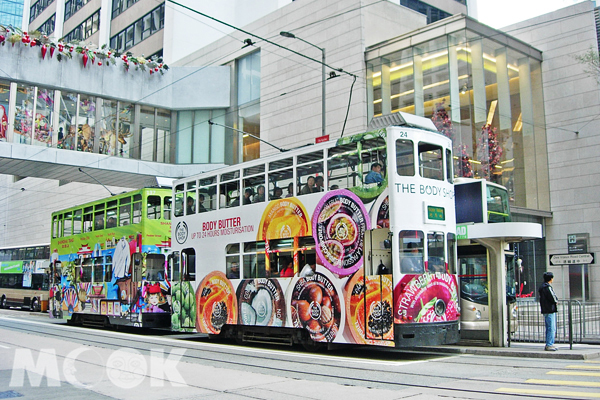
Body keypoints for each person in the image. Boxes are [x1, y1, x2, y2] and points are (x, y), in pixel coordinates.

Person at [539, 271, 559, 351]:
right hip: (549, 309)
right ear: (550, 278)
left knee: (549, 327)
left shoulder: (542, 287)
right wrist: (556, 301)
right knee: (551, 327)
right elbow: (553, 297)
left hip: (545, 309)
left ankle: (549, 343)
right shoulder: (547, 287)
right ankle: (549, 344)